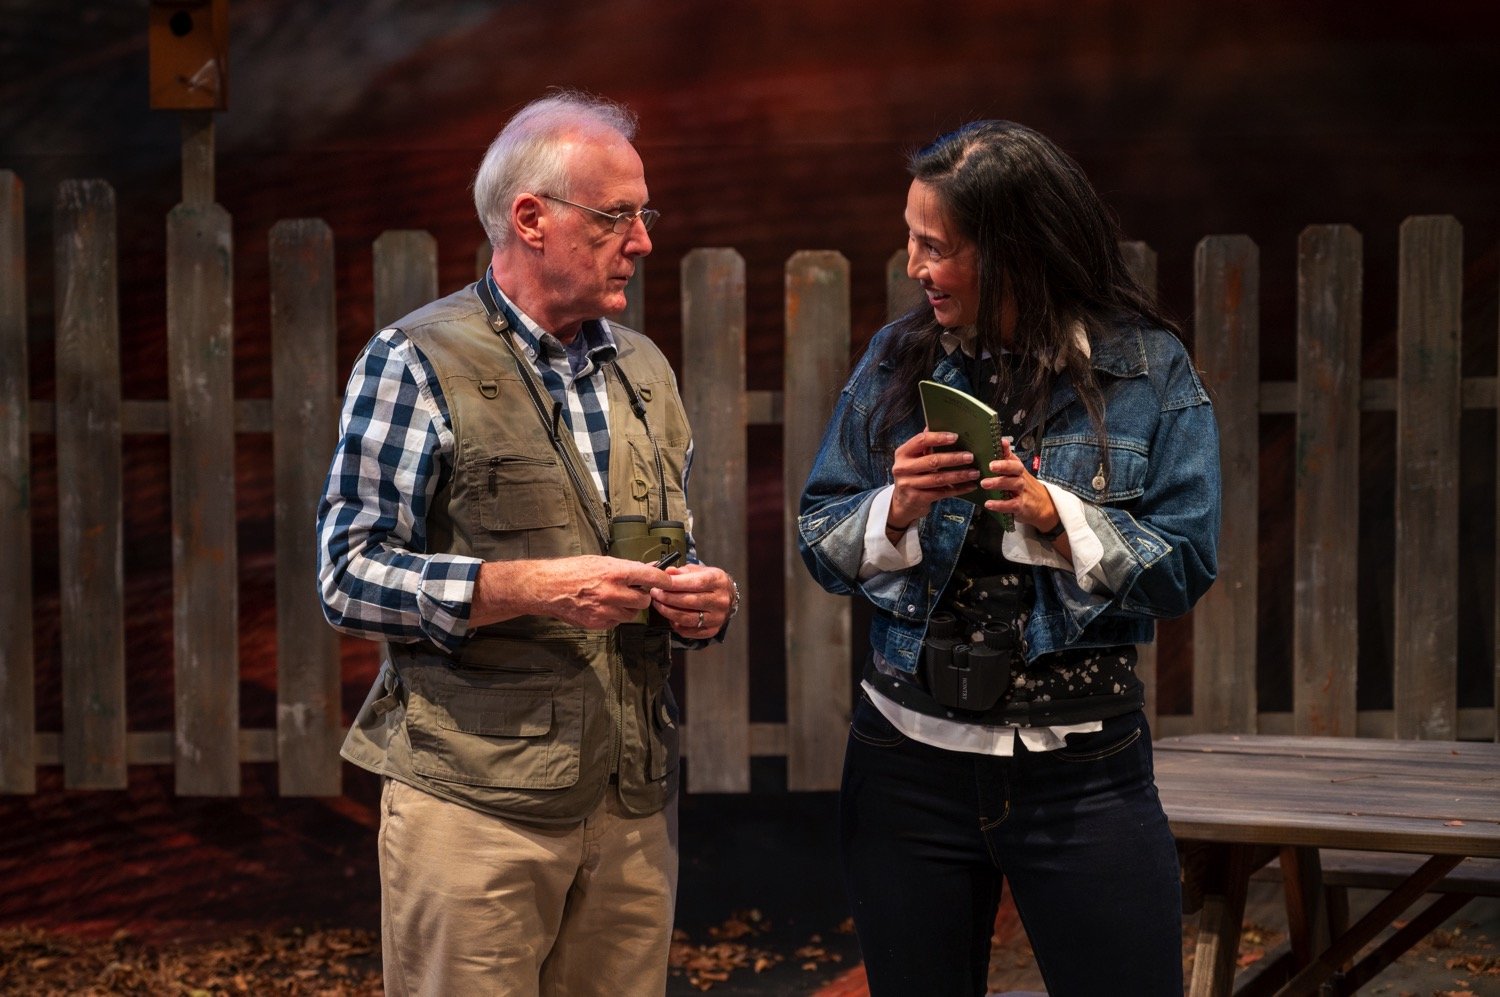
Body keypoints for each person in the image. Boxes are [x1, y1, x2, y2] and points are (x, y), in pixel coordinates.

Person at [316, 90, 739, 997]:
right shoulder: (417, 360)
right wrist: (526, 587)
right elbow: (348, 575)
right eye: (617, 216)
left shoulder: (646, 371)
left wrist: (700, 601)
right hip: (474, 810)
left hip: (629, 807)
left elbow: (666, 543)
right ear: (531, 218)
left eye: (644, 214)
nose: (642, 239)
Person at [798, 120, 1220, 996]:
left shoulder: (1147, 372)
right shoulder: (894, 359)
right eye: (911, 240)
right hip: (907, 768)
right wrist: (897, 506)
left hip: (1081, 774)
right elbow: (821, 539)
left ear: (1016, 252)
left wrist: (1057, 516)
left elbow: (1186, 564)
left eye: (935, 247)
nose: (912, 265)